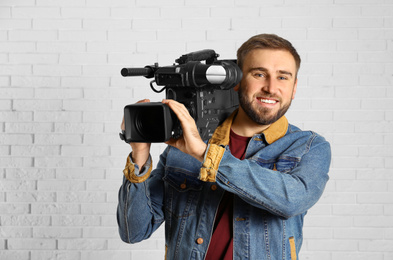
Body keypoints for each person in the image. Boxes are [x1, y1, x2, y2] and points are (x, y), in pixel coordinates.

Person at [117, 34, 331, 260]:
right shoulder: (186, 146)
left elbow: (291, 200)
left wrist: (204, 155)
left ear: (294, 87)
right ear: (236, 81)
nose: (271, 87)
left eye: (283, 77)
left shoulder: (308, 146)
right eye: (259, 74)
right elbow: (133, 232)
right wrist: (139, 154)